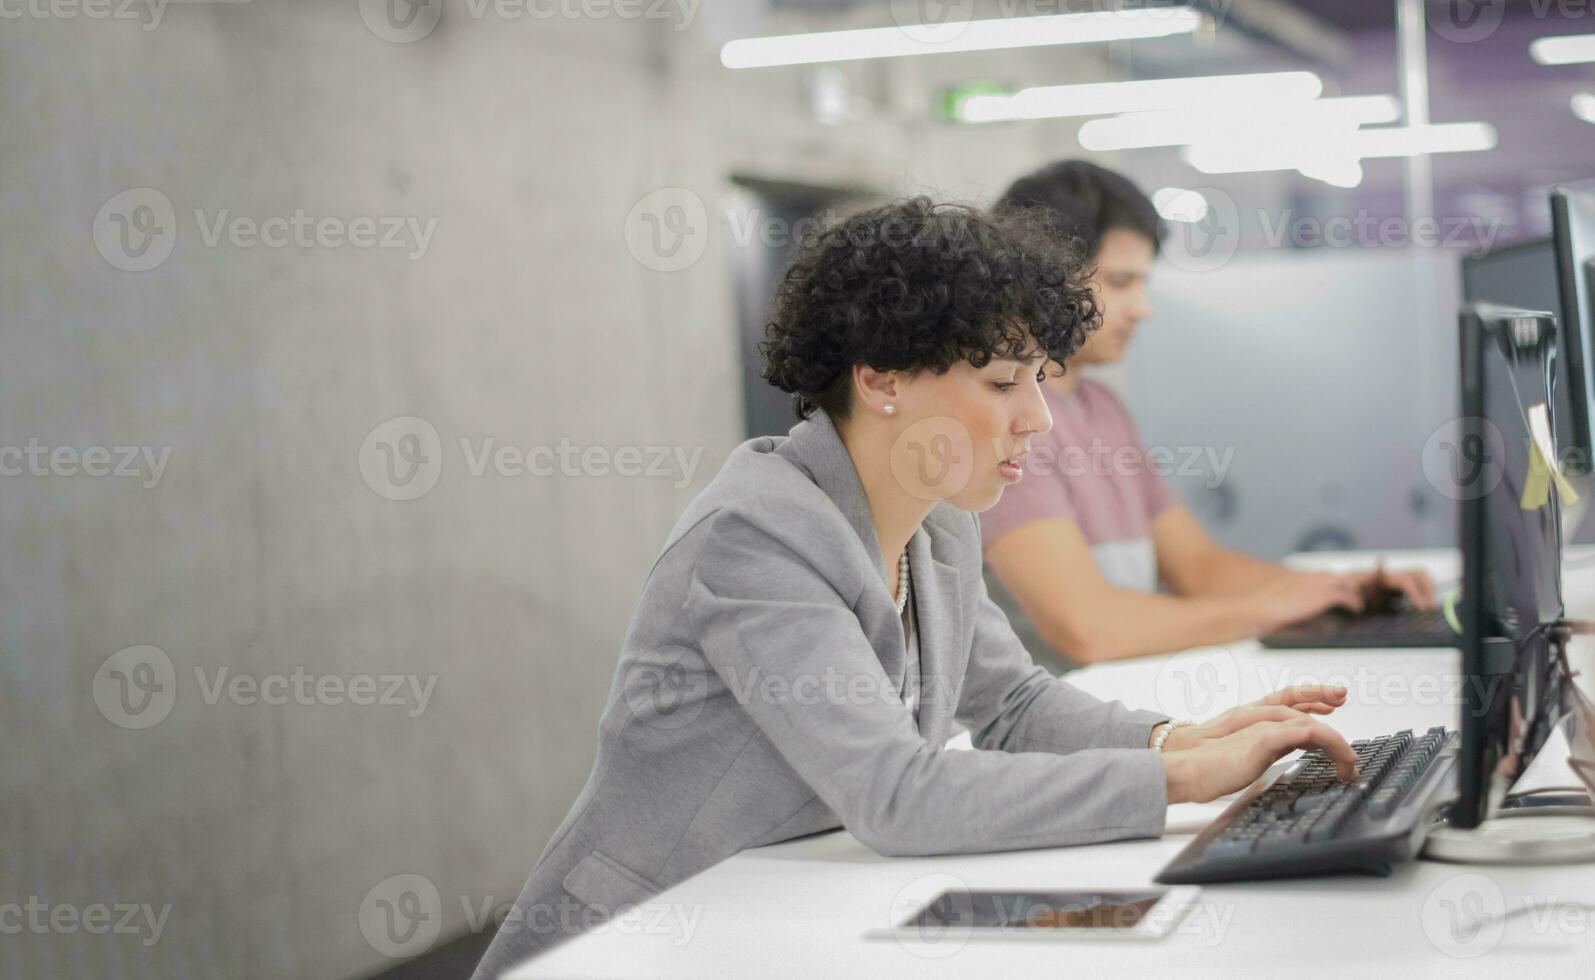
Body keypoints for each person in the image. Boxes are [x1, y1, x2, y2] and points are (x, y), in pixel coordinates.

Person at [471, 197, 1361, 977]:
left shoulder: (937, 520)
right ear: (880, 377)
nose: (1037, 419)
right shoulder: (754, 538)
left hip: (779, 916)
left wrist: (1174, 736)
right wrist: (1181, 781)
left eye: (1040, 381)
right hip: (641, 939)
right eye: (1003, 382)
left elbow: (1010, 704)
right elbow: (895, 796)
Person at [979, 161, 1438, 668]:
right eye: (1121, 282)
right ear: (1044, 278)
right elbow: (1090, 630)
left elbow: (1198, 567)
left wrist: (1339, 591)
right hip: (1039, 736)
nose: (1142, 309)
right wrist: (1264, 611)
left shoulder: (1102, 410)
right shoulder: (1006, 423)